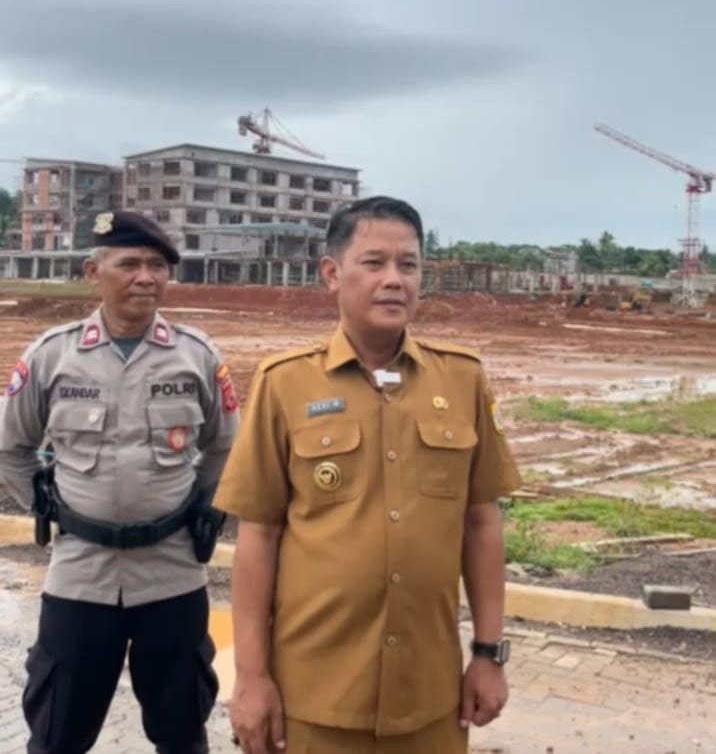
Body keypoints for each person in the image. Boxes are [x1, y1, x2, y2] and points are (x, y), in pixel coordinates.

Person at [213, 195, 522, 754]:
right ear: (331, 273)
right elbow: (258, 535)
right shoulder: (285, 384)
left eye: (409, 265)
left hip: (430, 697)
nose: (394, 280)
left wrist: (488, 654)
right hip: (312, 698)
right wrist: (251, 678)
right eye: (374, 263)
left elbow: (482, 524)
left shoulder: (462, 381)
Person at [0, 211, 239, 754]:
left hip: (172, 575)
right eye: (129, 264)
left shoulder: (196, 356)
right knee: (57, 734)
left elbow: (225, 446)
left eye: (157, 265)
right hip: (80, 576)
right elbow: (10, 449)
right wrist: (49, 506)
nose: (145, 277)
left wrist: (202, 508)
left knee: (182, 733)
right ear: (94, 272)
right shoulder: (52, 355)